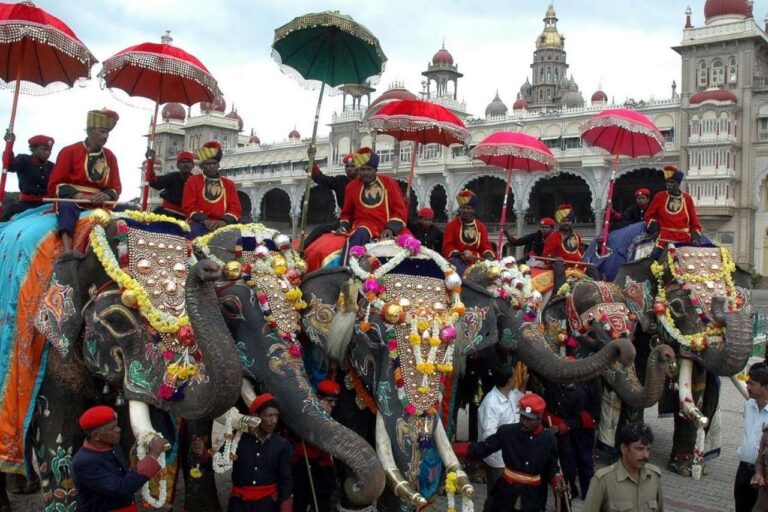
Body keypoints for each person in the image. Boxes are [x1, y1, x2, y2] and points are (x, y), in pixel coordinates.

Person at [455, 393, 566, 512]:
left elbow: (551, 467)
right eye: (522, 416)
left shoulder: (549, 439)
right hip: (506, 493)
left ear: (539, 419)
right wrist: (452, 449)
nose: (524, 422)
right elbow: (483, 448)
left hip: (533, 498)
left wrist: (556, 480)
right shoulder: (507, 432)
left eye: (529, 419)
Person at [48, 108, 121, 252]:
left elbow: (116, 188)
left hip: (101, 203)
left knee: (129, 214)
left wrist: (106, 195)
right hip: (73, 201)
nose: (105, 136)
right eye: (101, 132)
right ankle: (68, 253)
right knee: (66, 208)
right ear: (89, 131)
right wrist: (78, 196)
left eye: (107, 133)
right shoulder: (69, 151)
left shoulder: (110, 156)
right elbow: (55, 184)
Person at [72, 405, 166, 512]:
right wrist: (153, 456)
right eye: (112, 428)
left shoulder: (113, 446)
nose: (118, 430)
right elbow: (121, 488)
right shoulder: (83, 462)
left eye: (116, 425)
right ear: (96, 435)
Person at [337, 147, 407, 258]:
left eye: (369, 169)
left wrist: (390, 229)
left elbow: (400, 210)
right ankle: (346, 268)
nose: (365, 173)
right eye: (362, 169)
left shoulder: (389, 182)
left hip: (389, 225)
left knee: (410, 241)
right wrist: (344, 225)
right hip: (365, 226)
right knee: (360, 233)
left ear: (375, 170)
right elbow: (346, 213)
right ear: (358, 170)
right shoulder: (351, 187)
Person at [228, 393, 292, 512]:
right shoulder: (238, 440)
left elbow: (285, 479)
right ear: (255, 417)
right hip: (240, 504)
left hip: (267, 505)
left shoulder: (282, 444)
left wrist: (285, 504)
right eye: (269, 416)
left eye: (276, 416)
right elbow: (218, 462)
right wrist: (203, 454)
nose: (273, 421)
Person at [582, 422, 664, 511]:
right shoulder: (604, 480)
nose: (646, 455)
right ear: (624, 448)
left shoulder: (654, 477)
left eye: (648, 449)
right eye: (639, 449)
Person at [477, 362, 525, 512]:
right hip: (497, 460)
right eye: (513, 376)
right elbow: (489, 436)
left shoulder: (509, 394)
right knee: (496, 496)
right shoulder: (491, 403)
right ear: (509, 380)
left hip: (511, 456)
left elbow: (518, 395)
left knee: (510, 496)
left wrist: (524, 383)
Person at [290, 380, 339, 512]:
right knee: (300, 502)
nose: (332, 404)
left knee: (323, 504)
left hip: (323, 469)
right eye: (329, 401)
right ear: (319, 399)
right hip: (304, 464)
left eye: (335, 401)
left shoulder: (333, 416)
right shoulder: (306, 413)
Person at [182, 140, 242, 237]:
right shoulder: (193, 181)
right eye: (208, 164)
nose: (212, 166)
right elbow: (188, 205)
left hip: (223, 222)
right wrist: (204, 220)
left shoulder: (229, 184)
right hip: (199, 221)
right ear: (203, 166)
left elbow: (235, 207)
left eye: (214, 163)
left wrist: (224, 221)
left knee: (241, 239)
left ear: (218, 165)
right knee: (193, 236)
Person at [645, 165, 702, 261]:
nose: (669, 185)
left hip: (684, 239)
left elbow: (694, 221)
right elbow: (649, 215)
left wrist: (695, 237)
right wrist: (654, 227)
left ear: (678, 184)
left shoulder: (687, 198)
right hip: (664, 238)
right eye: (667, 182)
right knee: (652, 260)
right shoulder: (660, 196)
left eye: (672, 182)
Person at [303, 156, 358, 249]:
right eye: (347, 166)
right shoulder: (340, 180)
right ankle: (300, 251)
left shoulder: (364, 182)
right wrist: (312, 166)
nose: (349, 169)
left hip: (361, 220)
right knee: (318, 229)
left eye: (352, 166)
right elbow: (322, 179)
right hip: (344, 220)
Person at [734, 362, 768, 512]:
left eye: (752, 384)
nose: (747, 386)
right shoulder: (749, 405)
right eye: (747, 383)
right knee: (741, 506)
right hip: (743, 468)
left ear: (765, 387)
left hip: (763, 474)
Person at [1, 133, 55, 221]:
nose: (47, 153)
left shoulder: (52, 166)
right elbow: (10, 166)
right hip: (26, 203)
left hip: (47, 202)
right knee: (8, 210)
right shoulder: (23, 160)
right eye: (44, 149)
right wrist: (9, 145)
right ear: (33, 149)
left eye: (50, 150)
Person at [442, 189, 494, 276]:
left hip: (476, 260)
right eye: (462, 208)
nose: (465, 211)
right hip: (457, 260)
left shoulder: (481, 227)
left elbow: (484, 245)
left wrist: (489, 256)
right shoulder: (451, 226)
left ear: (473, 210)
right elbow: (447, 247)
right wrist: (460, 254)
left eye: (468, 208)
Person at [148, 150, 195, 220]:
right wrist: (151, 162)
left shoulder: (196, 181)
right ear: (178, 166)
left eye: (188, 162)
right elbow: (154, 182)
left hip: (186, 217)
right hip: (167, 213)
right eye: (183, 162)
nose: (186, 164)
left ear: (193, 165)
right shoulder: (172, 177)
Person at [542, 203, 585, 270]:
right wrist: (555, 258)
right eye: (563, 221)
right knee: (559, 265)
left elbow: (580, 252)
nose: (566, 223)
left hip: (578, 267)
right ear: (559, 222)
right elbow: (546, 255)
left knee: (592, 268)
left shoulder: (577, 237)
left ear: (572, 222)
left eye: (568, 221)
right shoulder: (552, 238)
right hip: (561, 267)